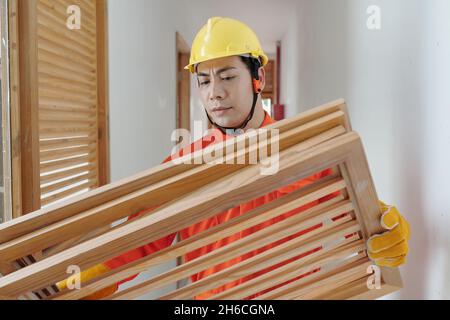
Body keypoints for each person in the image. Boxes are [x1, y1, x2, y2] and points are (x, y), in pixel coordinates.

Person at [57, 17, 410, 300]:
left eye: (227, 76)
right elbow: (139, 241)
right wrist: (85, 281)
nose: (215, 93)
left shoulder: (307, 152)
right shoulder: (187, 163)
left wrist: (388, 233)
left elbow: (359, 214)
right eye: (204, 81)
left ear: (258, 78)